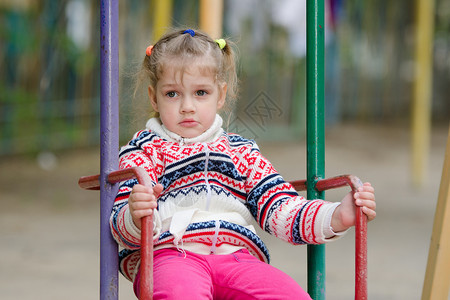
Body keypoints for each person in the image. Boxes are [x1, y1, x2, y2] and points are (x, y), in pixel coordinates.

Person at [110, 28, 376, 300]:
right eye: (172, 94)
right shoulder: (143, 151)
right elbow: (121, 229)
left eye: (201, 92)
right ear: (154, 97)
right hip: (171, 254)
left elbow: (280, 207)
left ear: (220, 95)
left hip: (238, 257)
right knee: (180, 293)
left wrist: (336, 216)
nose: (187, 106)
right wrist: (135, 213)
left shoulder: (241, 151)